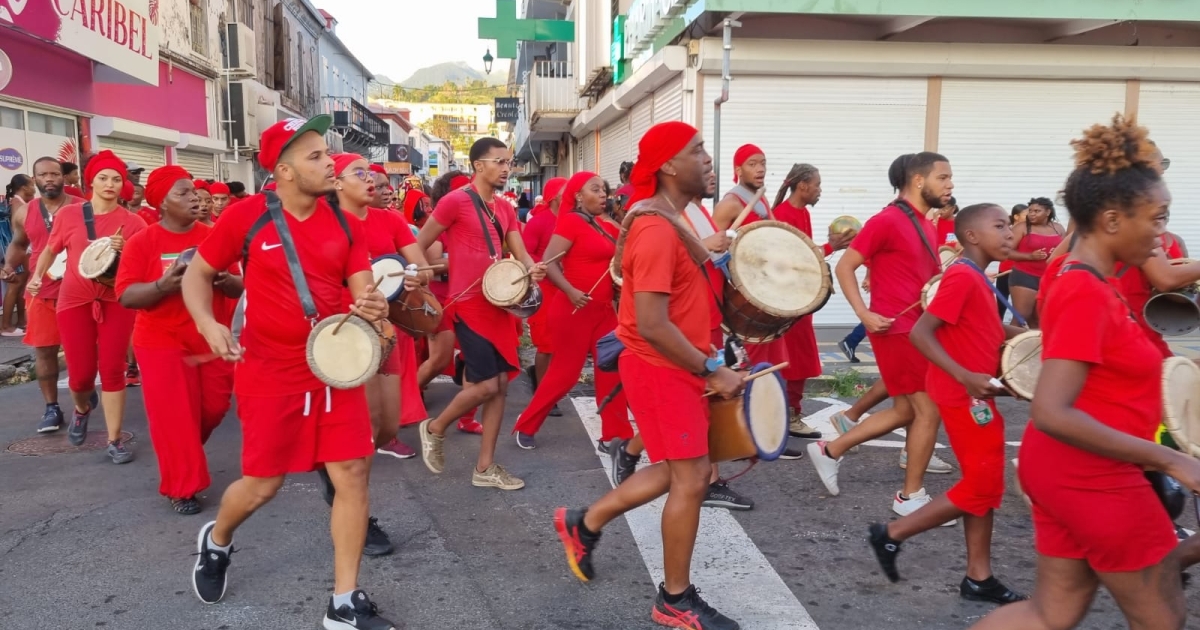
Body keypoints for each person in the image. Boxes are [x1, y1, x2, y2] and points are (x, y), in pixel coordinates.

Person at [970, 114, 1200, 630]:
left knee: (1051, 614)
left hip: (1073, 471)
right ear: (1114, 220)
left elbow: (1121, 373)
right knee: (1163, 620)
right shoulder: (1083, 289)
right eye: (1157, 218)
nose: (1164, 234)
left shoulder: (1101, 283)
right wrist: (1170, 459)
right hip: (1093, 478)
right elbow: (1052, 411)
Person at [181, 115, 398, 629]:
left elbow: (361, 284)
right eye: (316, 156)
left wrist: (372, 305)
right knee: (262, 485)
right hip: (269, 370)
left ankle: (343, 603)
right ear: (283, 170)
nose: (329, 164)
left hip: (333, 365)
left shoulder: (346, 220)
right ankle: (217, 540)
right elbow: (199, 274)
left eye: (327, 153)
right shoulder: (246, 217)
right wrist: (208, 324)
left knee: (352, 472)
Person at [554, 122, 744, 630]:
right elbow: (654, 323)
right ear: (667, 166)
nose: (708, 160)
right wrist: (711, 368)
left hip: (676, 364)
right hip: (665, 368)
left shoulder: (672, 219)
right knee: (692, 479)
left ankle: (585, 523)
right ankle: (674, 599)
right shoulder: (658, 229)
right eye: (697, 151)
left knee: (685, 469)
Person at [868, 203, 1027, 605]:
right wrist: (966, 376)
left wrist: (1036, 338)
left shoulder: (978, 277)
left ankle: (979, 576)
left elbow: (985, 328)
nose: (1010, 232)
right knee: (982, 485)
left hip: (975, 392)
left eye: (1010, 225)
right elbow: (922, 333)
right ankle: (891, 535)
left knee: (986, 487)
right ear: (972, 236)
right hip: (963, 396)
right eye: (1000, 226)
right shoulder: (961, 277)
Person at [807, 152, 956, 513]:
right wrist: (864, 313)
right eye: (944, 177)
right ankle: (910, 497)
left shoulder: (926, 222)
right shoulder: (888, 219)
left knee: (906, 409)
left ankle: (830, 450)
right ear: (918, 181)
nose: (950, 184)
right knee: (928, 408)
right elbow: (845, 266)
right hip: (896, 328)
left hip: (915, 327)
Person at [415, 138, 547, 490]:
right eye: (499, 161)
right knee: (487, 384)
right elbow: (420, 243)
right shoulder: (454, 201)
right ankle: (434, 427)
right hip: (468, 306)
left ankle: (485, 468)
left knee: (501, 386)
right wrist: (428, 271)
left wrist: (533, 269)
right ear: (478, 166)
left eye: (509, 162)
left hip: (499, 305)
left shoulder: (505, 208)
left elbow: (520, 252)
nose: (507, 168)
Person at [115, 166, 240, 514]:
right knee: (175, 416)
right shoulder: (144, 242)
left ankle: (180, 451)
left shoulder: (215, 235)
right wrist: (162, 286)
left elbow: (243, 287)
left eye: (194, 193)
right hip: (160, 339)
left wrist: (224, 280)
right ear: (161, 203)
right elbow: (125, 295)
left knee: (214, 408)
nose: (195, 200)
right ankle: (181, 487)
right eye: (183, 194)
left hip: (209, 336)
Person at [28, 151, 146, 463]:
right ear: (90, 181)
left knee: (112, 371)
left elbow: (141, 267)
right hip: (74, 302)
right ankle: (82, 409)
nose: (110, 184)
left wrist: (125, 250)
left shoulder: (133, 223)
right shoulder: (69, 215)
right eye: (104, 178)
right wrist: (37, 277)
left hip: (115, 303)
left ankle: (114, 439)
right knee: (80, 377)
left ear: (123, 185)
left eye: (117, 179)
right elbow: (50, 250)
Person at [513, 172, 632, 450]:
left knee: (612, 369)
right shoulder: (570, 222)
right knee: (565, 374)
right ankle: (527, 424)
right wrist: (570, 291)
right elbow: (550, 262)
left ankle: (614, 435)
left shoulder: (608, 225)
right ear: (579, 196)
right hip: (573, 310)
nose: (603, 194)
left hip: (603, 311)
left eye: (604, 189)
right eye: (595, 189)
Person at [1, 159, 84, 432]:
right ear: (34, 179)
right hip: (42, 291)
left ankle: (83, 389)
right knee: (44, 351)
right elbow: (18, 243)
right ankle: (52, 408)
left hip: (79, 290)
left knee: (81, 351)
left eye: (54, 174)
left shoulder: (82, 206)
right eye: (42, 174)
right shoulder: (24, 213)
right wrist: (9, 267)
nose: (49, 178)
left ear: (63, 178)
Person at [772, 163, 854, 436]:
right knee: (793, 358)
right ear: (803, 186)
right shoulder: (783, 214)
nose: (820, 190)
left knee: (801, 358)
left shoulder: (801, 212)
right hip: (787, 300)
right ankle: (785, 417)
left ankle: (791, 414)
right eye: (817, 184)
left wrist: (828, 245)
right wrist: (832, 246)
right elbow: (794, 259)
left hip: (800, 298)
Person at [519, 176, 567, 414]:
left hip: (565, 290)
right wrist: (547, 266)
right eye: (567, 190)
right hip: (544, 290)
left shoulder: (572, 220)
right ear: (555, 195)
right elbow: (524, 253)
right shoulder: (540, 221)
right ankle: (543, 395)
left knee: (560, 344)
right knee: (546, 345)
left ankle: (545, 384)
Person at [1007, 196, 1064, 328]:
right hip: (1025, 276)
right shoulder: (1022, 227)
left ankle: (1035, 348)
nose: (1032, 214)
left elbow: (1066, 250)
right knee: (1021, 317)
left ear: (1048, 212)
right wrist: (1030, 256)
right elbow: (1006, 252)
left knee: (1040, 319)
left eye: (1037, 211)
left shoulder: (1058, 228)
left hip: (1048, 278)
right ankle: (1005, 347)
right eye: (1030, 211)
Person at [1, 174, 35, 336]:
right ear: (24, 188)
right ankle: (6, 326)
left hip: (21, 249)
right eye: (32, 185)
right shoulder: (18, 203)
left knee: (21, 286)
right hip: (18, 250)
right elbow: (17, 231)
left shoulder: (19, 202)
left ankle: (21, 321)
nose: (34, 189)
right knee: (15, 286)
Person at [994, 204, 1027, 320]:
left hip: (1019, 271)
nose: (1029, 217)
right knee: (1001, 302)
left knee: (1019, 305)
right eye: (1026, 214)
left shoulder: (1028, 231)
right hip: (1005, 269)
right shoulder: (1008, 231)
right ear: (1017, 216)